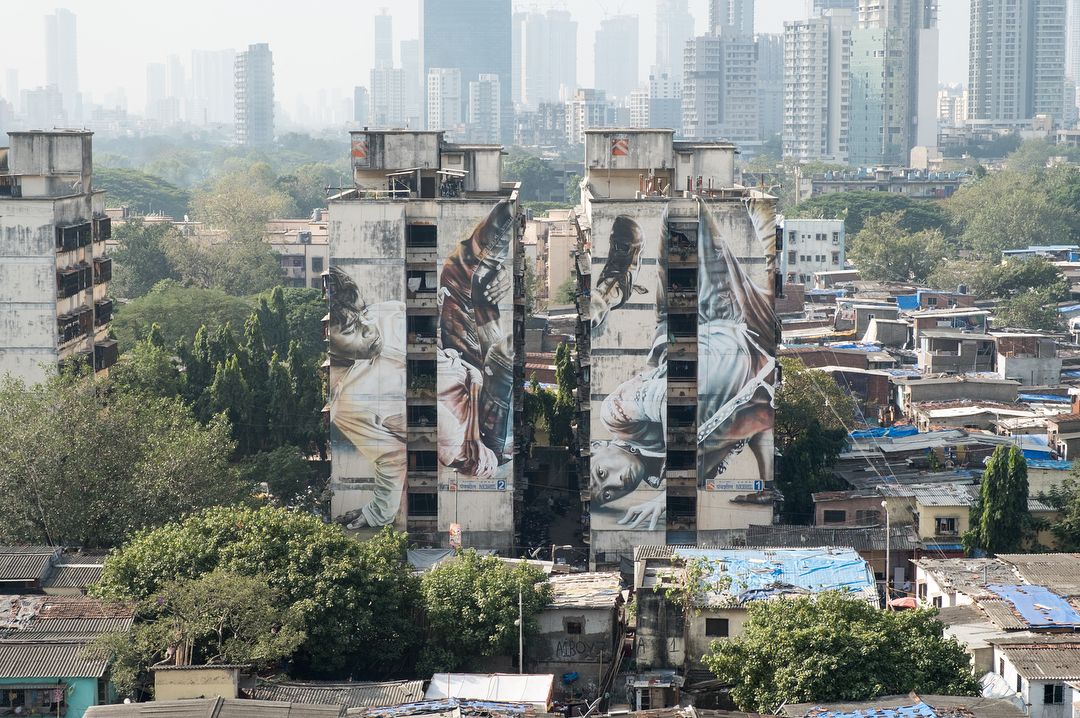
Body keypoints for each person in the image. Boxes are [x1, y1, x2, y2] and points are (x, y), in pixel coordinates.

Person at [437, 200, 516, 477]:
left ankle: (487, 263)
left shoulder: (451, 448)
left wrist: (496, 272)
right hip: (486, 401)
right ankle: (488, 262)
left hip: (457, 358)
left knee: (458, 274)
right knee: (503, 360)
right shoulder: (474, 449)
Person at [327, 266, 408, 529]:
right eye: (352, 329)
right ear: (327, 335)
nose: (371, 328)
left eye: (365, 312)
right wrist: (377, 513)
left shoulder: (393, 313)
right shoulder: (349, 404)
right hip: (468, 460)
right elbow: (392, 459)